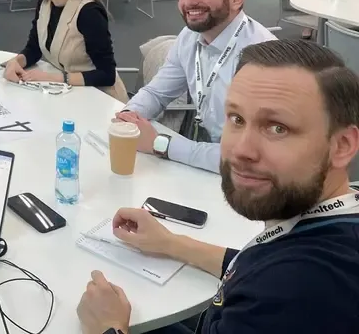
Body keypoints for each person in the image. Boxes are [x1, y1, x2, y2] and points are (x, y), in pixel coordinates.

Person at [77, 40, 359, 334]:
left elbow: (276, 284)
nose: (241, 150)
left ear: (342, 146)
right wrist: (170, 242)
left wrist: (109, 327)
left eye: (278, 128)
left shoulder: (297, 292)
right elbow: (256, 260)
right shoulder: (325, 226)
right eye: (237, 119)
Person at [114, 0, 276, 173]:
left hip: (249, 173)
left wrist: (161, 144)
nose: (189, 2)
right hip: (206, 155)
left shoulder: (261, 59)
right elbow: (156, 93)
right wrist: (129, 116)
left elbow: (247, 156)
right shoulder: (190, 37)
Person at [3, 0, 128, 101]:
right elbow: (34, 48)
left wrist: (52, 78)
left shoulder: (88, 12)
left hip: (101, 97)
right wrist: (16, 62)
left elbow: (107, 75)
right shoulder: (45, 4)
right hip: (69, 93)